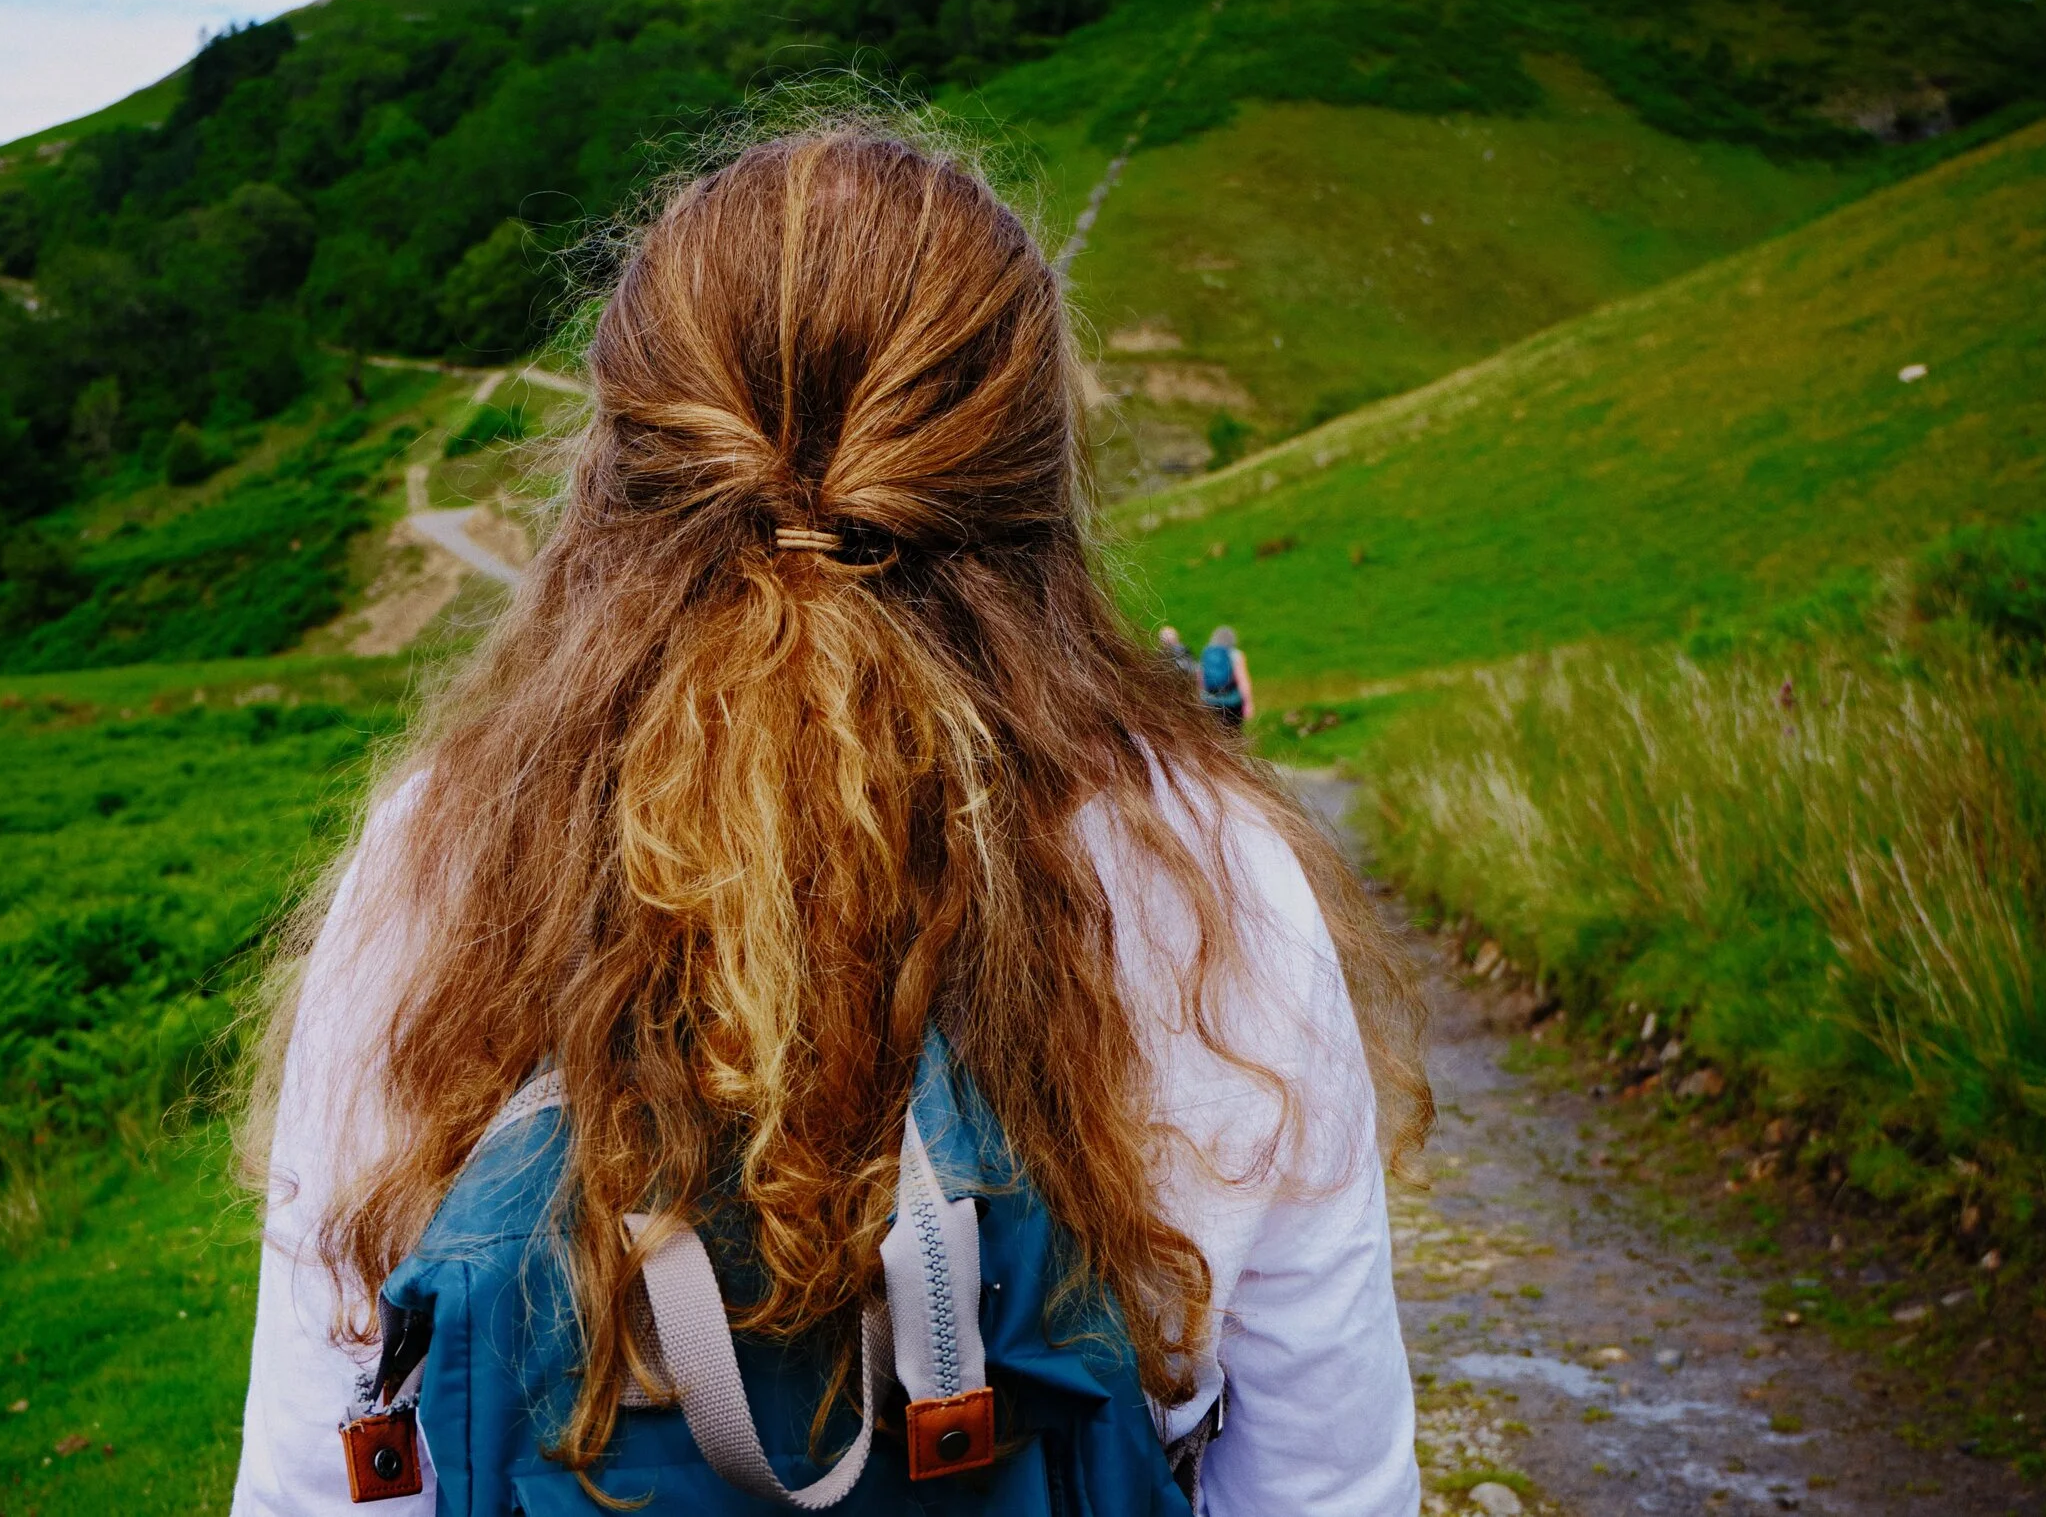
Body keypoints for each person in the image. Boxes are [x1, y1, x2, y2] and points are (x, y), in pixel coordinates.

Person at [231, 130, 1430, 1515]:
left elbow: (317, 1478)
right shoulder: (1210, 883)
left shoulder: (442, 863)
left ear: (611, 481)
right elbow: (1329, 1484)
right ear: (1038, 489)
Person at [1199, 624, 1255, 729]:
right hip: (1232, 701)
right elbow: (1242, 680)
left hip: (1210, 700)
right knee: (1233, 733)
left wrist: (1200, 698)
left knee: (1215, 733)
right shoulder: (1236, 654)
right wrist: (1248, 703)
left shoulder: (1207, 653)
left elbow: (1201, 678)